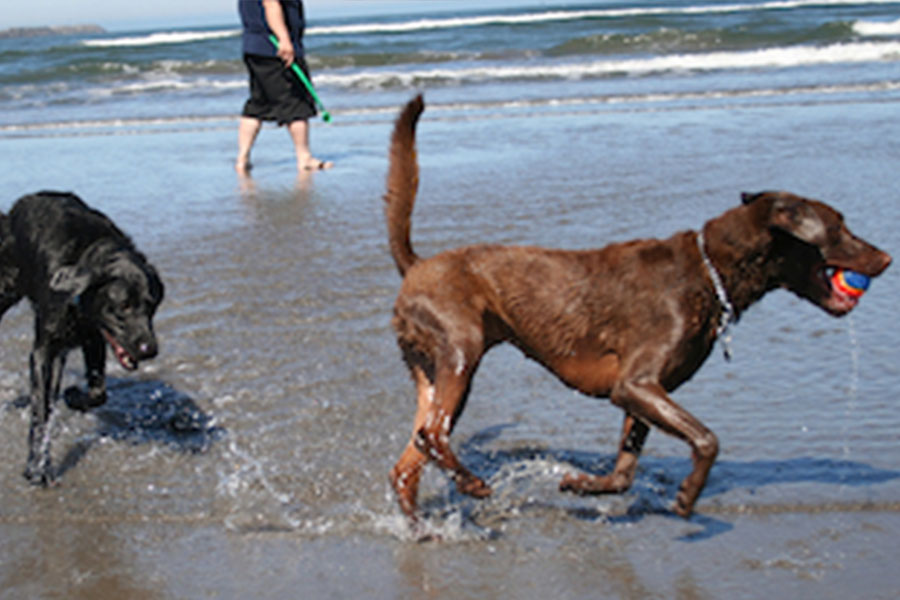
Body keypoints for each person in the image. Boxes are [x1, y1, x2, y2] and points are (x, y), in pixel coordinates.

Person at [236, 0, 332, 175]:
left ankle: (242, 158)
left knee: (258, 103)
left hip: (255, 46)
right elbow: (271, 4)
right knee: (295, 101)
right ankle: (304, 157)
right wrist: (284, 39)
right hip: (273, 47)